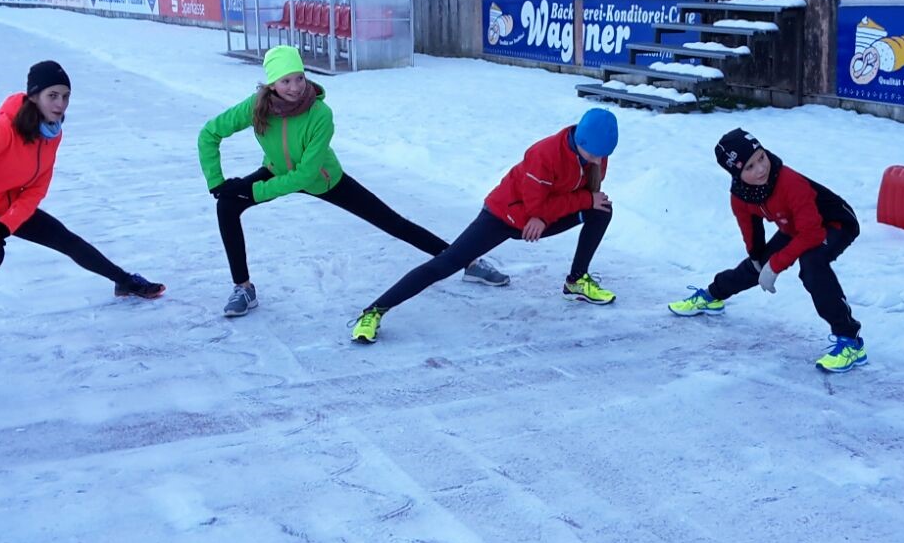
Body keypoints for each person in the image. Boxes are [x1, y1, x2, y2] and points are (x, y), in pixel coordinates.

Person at [199, 45, 508, 317]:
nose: (295, 87)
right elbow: (209, 133)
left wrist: (249, 189)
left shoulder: (320, 113)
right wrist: (218, 183)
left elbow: (306, 175)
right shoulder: (256, 107)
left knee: (393, 222)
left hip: (324, 178)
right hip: (277, 171)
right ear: (271, 84)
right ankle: (243, 288)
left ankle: (467, 261)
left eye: (299, 78)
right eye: (286, 81)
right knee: (226, 206)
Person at [351, 108, 620, 344]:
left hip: (540, 220)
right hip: (504, 216)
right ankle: (374, 311)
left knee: (601, 211)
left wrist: (583, 201)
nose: (598, 161)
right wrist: (582, 200)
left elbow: (574, 197)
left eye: (603, 155)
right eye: (594, 154)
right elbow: (535, 207)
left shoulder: (595, 151)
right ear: (581, 140)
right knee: (447, 262)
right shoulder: (545, 153)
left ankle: (576, 281)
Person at [0, 60, 164, 298]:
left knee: (66, 240)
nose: (61, 104)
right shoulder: (3, 128)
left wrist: (6, 225)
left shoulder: (52, 133)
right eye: (53, 95)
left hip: (4, 208)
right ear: (34, 96)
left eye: (66, 96)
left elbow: (36, 189)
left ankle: (124, 281)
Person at [668, 128, 866, 372]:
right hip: (794, 226)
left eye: (761, 158)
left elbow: (812, 233)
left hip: (834, 224)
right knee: (757, 266)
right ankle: (712, 295)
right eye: (749, 167)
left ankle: (850, 341)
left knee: (812, 264)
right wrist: (759, 260)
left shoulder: (790, 182)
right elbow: (752, 233)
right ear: (736, 174)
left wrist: (775, 264)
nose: (761, 168)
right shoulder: (740, 197)